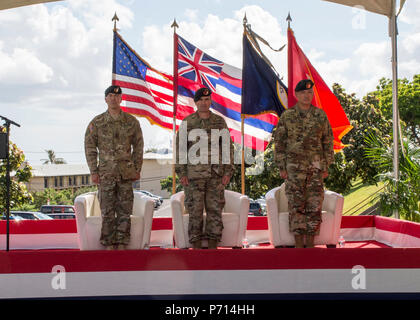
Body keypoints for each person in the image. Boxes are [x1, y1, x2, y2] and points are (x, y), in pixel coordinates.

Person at [274, 79, 334, 248]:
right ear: (296, 95)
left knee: (315, 204)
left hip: (316, 168)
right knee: (296, 204)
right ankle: (299, 243)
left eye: (309, 93)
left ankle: (311, 242)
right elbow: (279, 143)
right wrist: (282, 167)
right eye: (303, 93)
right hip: (293, 168)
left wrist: (326, 165)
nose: (307, 96)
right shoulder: (287, 116)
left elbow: (328, 141)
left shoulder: (320, 115)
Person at [84, 85, 144, 250]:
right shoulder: (97, 123)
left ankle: (123, 242)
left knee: (125, 211)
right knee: (107, 211)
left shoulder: (131, 122)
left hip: (126, 174)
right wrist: (93, 171)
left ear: (121, 99)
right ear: (105, 99)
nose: (113, 99)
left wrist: (136, 169)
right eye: (110, 96)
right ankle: (109, 244)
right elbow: (90, 148)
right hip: (106, 174)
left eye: (117, 96)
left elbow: (138, 147)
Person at [175, 87, 234, 249]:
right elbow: (180, 149)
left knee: (215, 211)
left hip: (216, 175)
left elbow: (227, 147)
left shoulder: (219, 122)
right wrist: (182, 173)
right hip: (193, 176)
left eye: (207, 99)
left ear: (210, 101)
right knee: (195, 211)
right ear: (195, 102)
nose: (204, 102)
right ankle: (196, 246)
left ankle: (213, 246)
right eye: (200, 100)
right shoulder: (188, 122)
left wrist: (228, 171)